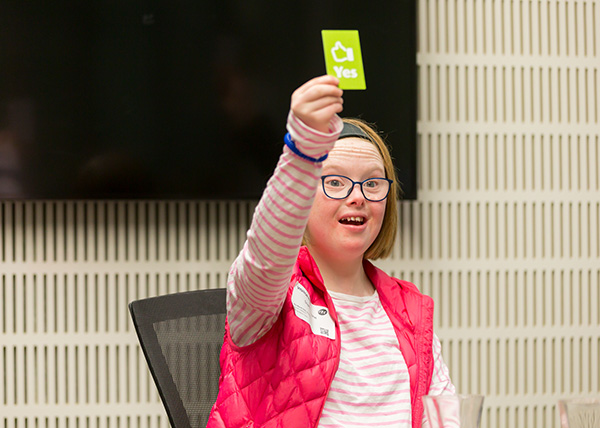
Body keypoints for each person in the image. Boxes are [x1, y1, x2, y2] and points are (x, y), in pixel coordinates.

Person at [207, 75, 455, 428]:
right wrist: (304, 151)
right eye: (335, 181)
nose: (357, 196)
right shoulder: (269, 298)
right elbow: (266, 255)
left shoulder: (412, 310)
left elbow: (443, 417)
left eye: (372, 183)